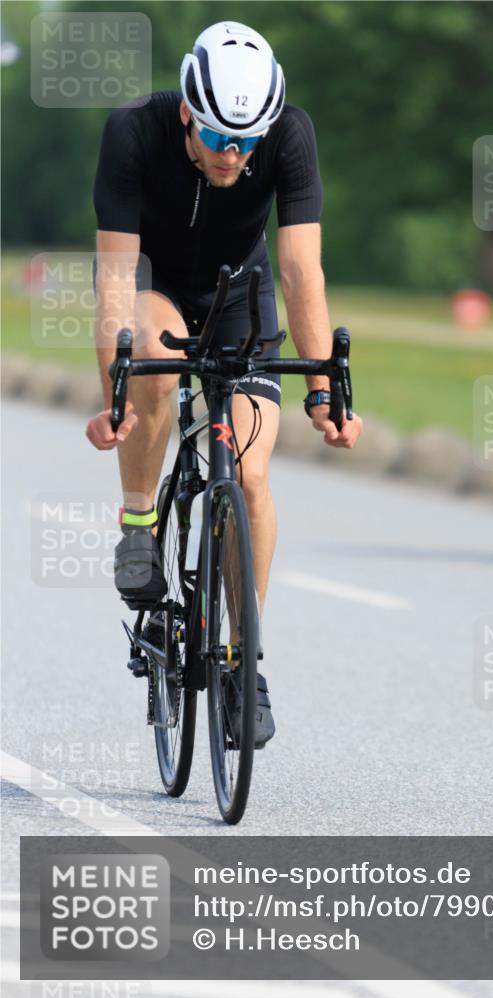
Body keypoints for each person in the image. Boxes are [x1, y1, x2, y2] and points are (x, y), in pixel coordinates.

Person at [85, 21, 364, 745]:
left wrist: (325, 392)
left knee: (249, 475)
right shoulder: (132, 134)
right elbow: (115, 278)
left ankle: (244, 659)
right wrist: (112, 392)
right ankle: (140, 521)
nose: (234, 155)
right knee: (148, 355)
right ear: (187, 112)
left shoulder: (289, 136)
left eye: (247, 141)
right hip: (154, 284)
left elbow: (302, 269)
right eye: (218, 138)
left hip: (241, 293)